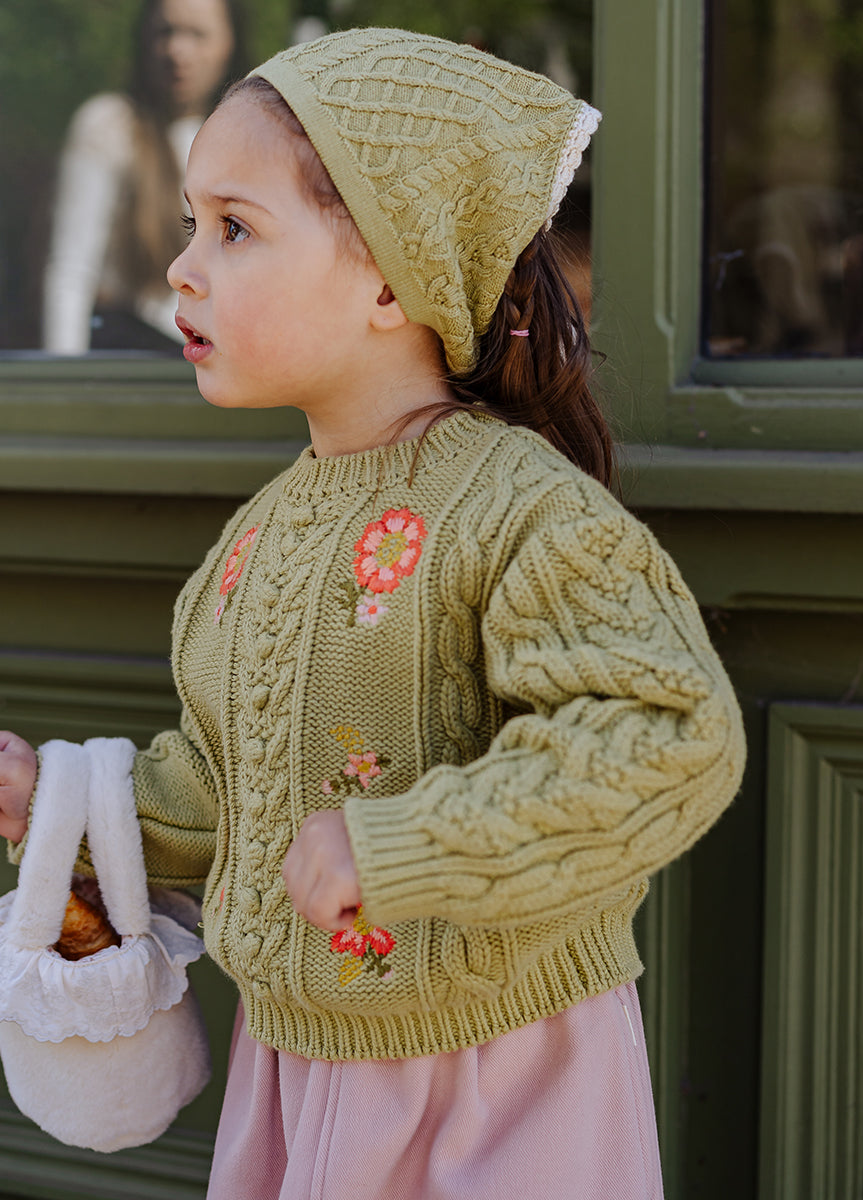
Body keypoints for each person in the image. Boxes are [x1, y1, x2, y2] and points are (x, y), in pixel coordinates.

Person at [2, 28, 746, 1198]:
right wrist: (56, 806)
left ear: (394, 277)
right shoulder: (257, 538)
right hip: (296, 1079)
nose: (182, 267)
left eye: (234, 228)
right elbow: (227, 796)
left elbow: (669, 735)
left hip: (493, 1084)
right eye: (191, 222)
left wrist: (406, 845)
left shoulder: (521, 509)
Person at [42, 0, 246, 354]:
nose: (177, 50)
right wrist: (68, 376)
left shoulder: (241, 138)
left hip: (201, 355)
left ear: (228, 43)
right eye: (166, 32)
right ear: (144, 38)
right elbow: (72, 273)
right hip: (130, 354)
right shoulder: (111, 125)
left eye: (197, 34)